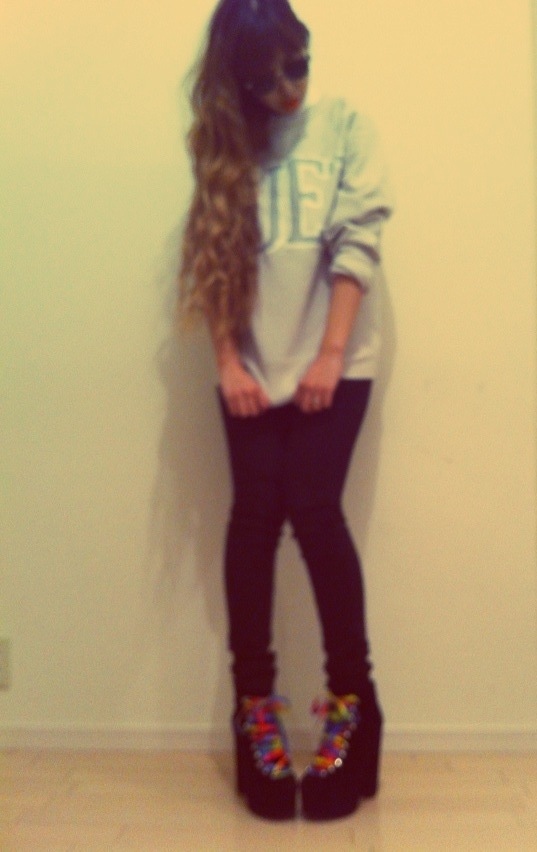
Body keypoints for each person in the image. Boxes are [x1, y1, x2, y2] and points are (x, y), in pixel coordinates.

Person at [179, 0, 393, 821]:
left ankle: (352, 710)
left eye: (295, 65)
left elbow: (358, 241)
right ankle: (255, 716)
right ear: (236, 83)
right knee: (252, 520)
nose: (287, 90)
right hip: (250, 369)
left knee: (314, 511)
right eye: (264, 80)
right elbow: (212, 257)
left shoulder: (344, 126)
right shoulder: (226, 146)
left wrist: (330, 354)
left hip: (335, 363)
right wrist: (227, 362)